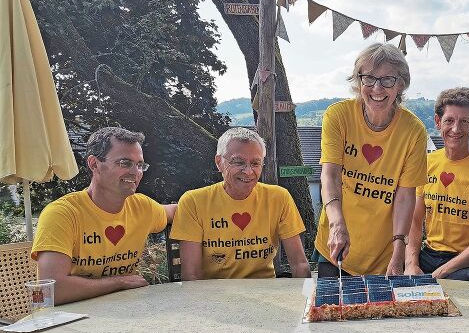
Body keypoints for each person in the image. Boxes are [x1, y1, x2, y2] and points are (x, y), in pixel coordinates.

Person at [314, 43, 428, 277]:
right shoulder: (337, 116)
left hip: (383, 257)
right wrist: (336, 224)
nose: (377, 88)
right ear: (358, 81)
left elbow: (405, 195)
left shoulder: (414, 131)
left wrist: (399, 253)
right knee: (327, 310)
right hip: (336, 246)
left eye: (388, 80)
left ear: (401, 85)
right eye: (369, 78)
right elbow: (330, 175)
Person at [32, 127, 177, 304]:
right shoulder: (62, 214)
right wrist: (120, 282)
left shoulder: (142, 207)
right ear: (94, 164)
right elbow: (50, 291)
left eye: (140, 165)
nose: (135, 172)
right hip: (70, 322)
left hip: (126, 315)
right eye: (125, 163)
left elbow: (180, 210)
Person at [170, 127, 310, 280]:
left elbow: (299, 264)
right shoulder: (193, 202)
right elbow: (191, 275)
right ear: (219, 162)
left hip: (266, 294)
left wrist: (307, 300)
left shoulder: (279, 197)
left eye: (256, 163)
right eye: (239, 162)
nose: (248, 171)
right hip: (213, 296)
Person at [404, 87, 469, 283]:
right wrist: (411, 262)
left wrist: (441, 272)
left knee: (452, 287)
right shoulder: (426, 163)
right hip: (431, 254)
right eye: (449, 121)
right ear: (438, 122)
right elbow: (414, 222)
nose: (456, 129)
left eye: (464, 121)